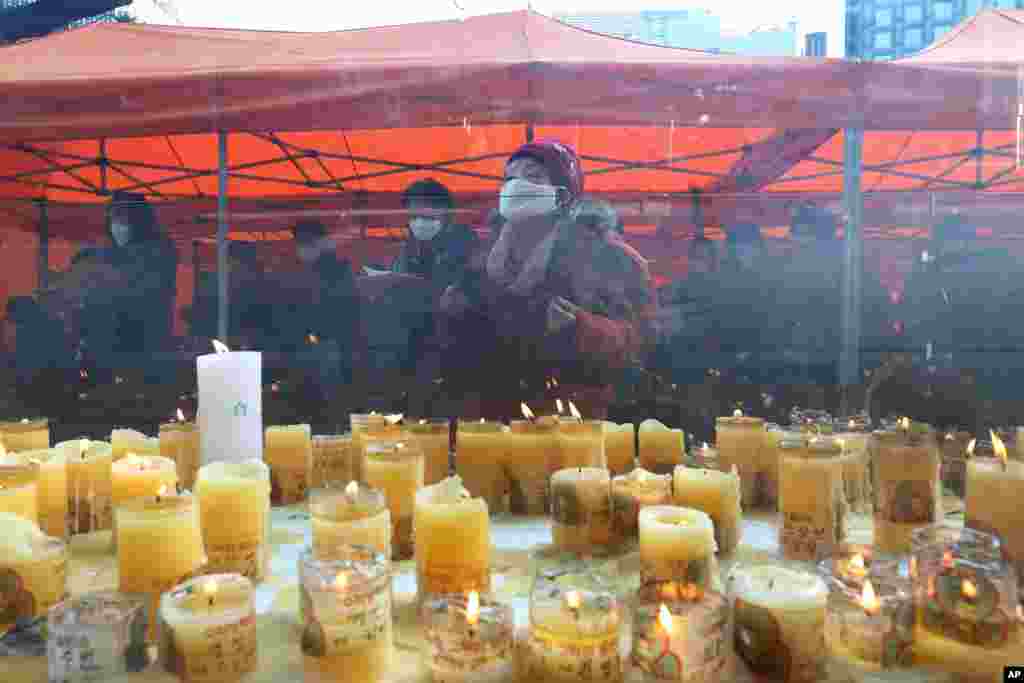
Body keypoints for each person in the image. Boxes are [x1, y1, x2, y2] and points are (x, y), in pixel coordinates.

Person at [441, 140, 657, 419]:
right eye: (509, 178)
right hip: (490, 421)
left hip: (572, 421)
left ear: (563, 194)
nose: (515, 186)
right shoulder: (480, 257)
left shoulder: (611, 257)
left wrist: (581, 326)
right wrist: (453, 312)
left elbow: (639, 343)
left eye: (531, 176)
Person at [392, 179, 481, 293]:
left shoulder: (466, 242)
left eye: (427, 215)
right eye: (414, 216)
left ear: (447, 213)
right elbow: (398, 277)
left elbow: (466, 284)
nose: (420, 223)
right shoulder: (410, 245)